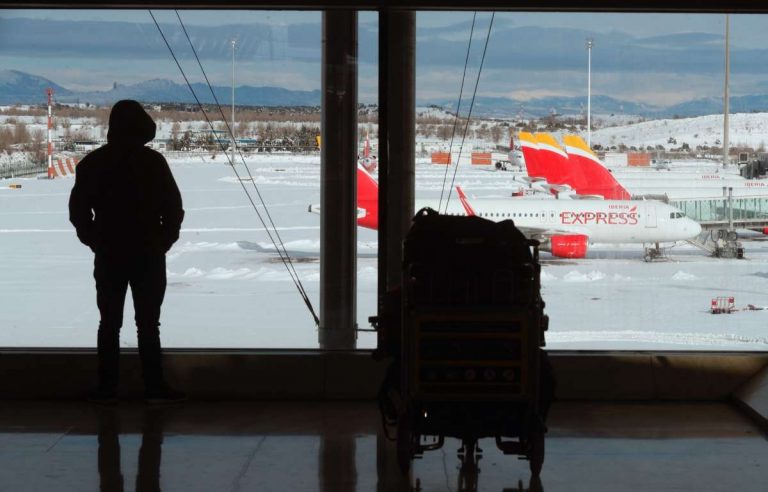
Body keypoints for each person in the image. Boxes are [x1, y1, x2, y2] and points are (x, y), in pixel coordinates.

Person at [69, 100, 185, 403]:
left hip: (110, 254)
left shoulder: (93, 163)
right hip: (148, 253)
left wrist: (95, 239)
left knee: (109, 323)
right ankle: (154, 387)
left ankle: (107, 388)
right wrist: (163, 240)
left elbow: (79, 211)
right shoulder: (154, 163)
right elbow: (173, 207)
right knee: (148, 323)